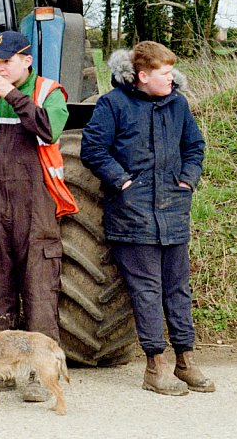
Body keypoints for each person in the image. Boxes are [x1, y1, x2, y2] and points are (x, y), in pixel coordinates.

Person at [80, 40, 215, 396]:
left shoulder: (177, 104)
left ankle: (185, 361)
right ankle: (155, 367)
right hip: (132, 215)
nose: (171, 78)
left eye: (171, 72)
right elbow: (92, 149)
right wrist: (122, 181)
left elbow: (195, 147)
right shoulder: (113, 104)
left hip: (173, 211)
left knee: (178, 289)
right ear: (142, 76)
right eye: (164, 73)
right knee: (147, 291)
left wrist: (188, 179)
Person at [0, 30, 77, 403]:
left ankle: (40, 376)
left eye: (6, 61)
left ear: (27, 60)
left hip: (37, 209)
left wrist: (12, 95)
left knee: (39, 293)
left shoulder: (48, 93)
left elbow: (48, 129)